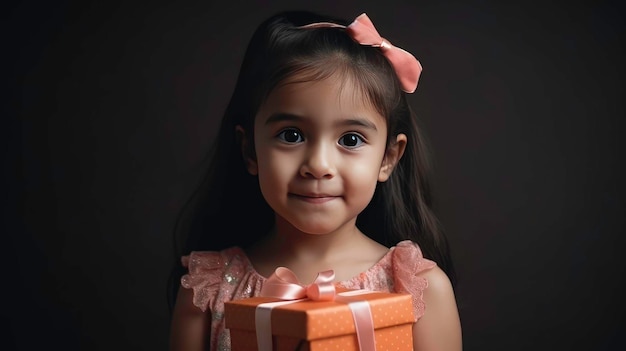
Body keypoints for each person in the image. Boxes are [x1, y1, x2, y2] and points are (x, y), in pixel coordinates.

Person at [168, 10, 462, 351]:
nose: (318, 165)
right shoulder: (206, 290)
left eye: (350, 139)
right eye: (291, 135)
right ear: (250, 151)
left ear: (388, 158)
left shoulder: (417, 288)